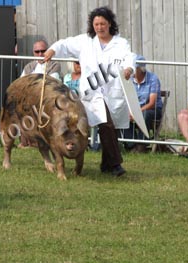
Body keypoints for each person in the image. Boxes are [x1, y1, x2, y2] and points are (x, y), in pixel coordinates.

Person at [43, 6, 135, 176]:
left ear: (110, 24)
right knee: (106, 124)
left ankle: (106, 165)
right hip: (92, 94)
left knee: (111, 129)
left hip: (113, 92)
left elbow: (129, 57)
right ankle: (116, 164)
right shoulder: (85, 41)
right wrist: (52, 50)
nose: (99, 27)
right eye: (96, 24)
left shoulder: (120, 43)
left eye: (103, 24)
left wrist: (129, 68)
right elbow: (65, 43)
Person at [122, 55, 163, 153]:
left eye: (134, 69)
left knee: (144, 115)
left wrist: (136, 112)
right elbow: (126, 98)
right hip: (136, 108)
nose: (131, 71)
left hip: (152, 110)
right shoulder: (130, 79)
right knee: (121, 115)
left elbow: (152, 103)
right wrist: (130, 112)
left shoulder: (153, 79)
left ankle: (141, 145)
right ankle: (131, 145)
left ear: (140, 69)